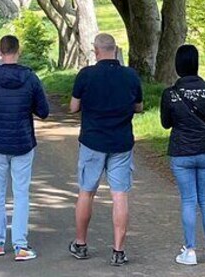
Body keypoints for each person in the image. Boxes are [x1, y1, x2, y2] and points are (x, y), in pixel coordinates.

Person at [68, 33, 143, 267]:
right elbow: (139, 106)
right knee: (119, 195)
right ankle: (118, 250)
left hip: (92, 141)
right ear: (116, 49)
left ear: (96, 50)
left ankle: (80, 244)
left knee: (86, 191)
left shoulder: (86, 75)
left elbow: (73, 108)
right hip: (121, 142)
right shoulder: (130, 75)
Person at [0, 35, 50, 261]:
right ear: (19, 51)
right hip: (23, 142)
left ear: (0, 52)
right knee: (21, 194)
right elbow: (44, 111)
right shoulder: (30, 78)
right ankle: (21, 245)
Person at [160, 45, 205, 266]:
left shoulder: (170, 93)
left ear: (177, 65)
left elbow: (166, 123)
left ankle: (189, 251)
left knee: (188, 200)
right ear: (196, 63)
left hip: (182, 152)